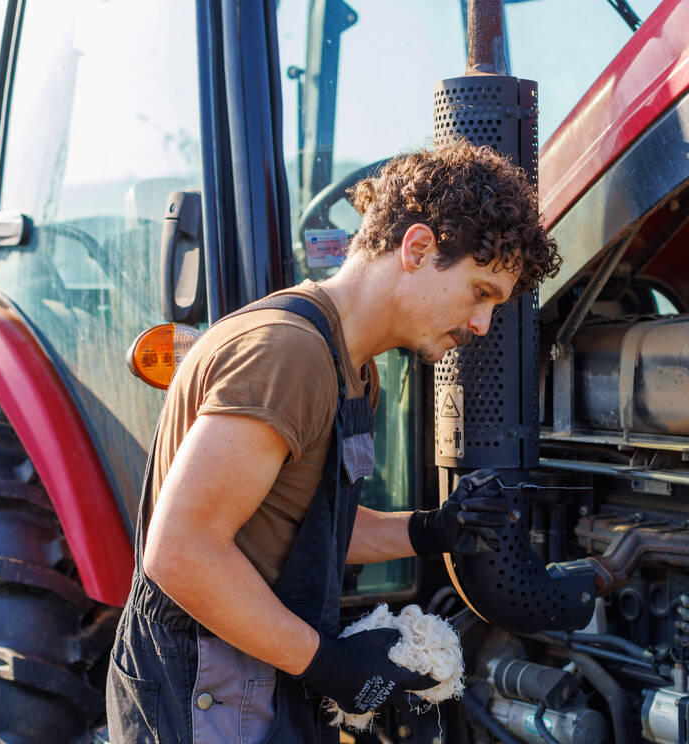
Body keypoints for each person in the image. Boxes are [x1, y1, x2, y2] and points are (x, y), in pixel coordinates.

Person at [106, 138, 562, 743]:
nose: (481, 325)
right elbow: (182, 552)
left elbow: (305, 528)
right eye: (482, 293)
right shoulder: (288, 353)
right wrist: (328, 665)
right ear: (418, 248)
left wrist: (430, 529)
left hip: (258, 657)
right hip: (208, 676)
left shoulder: (352, 368)